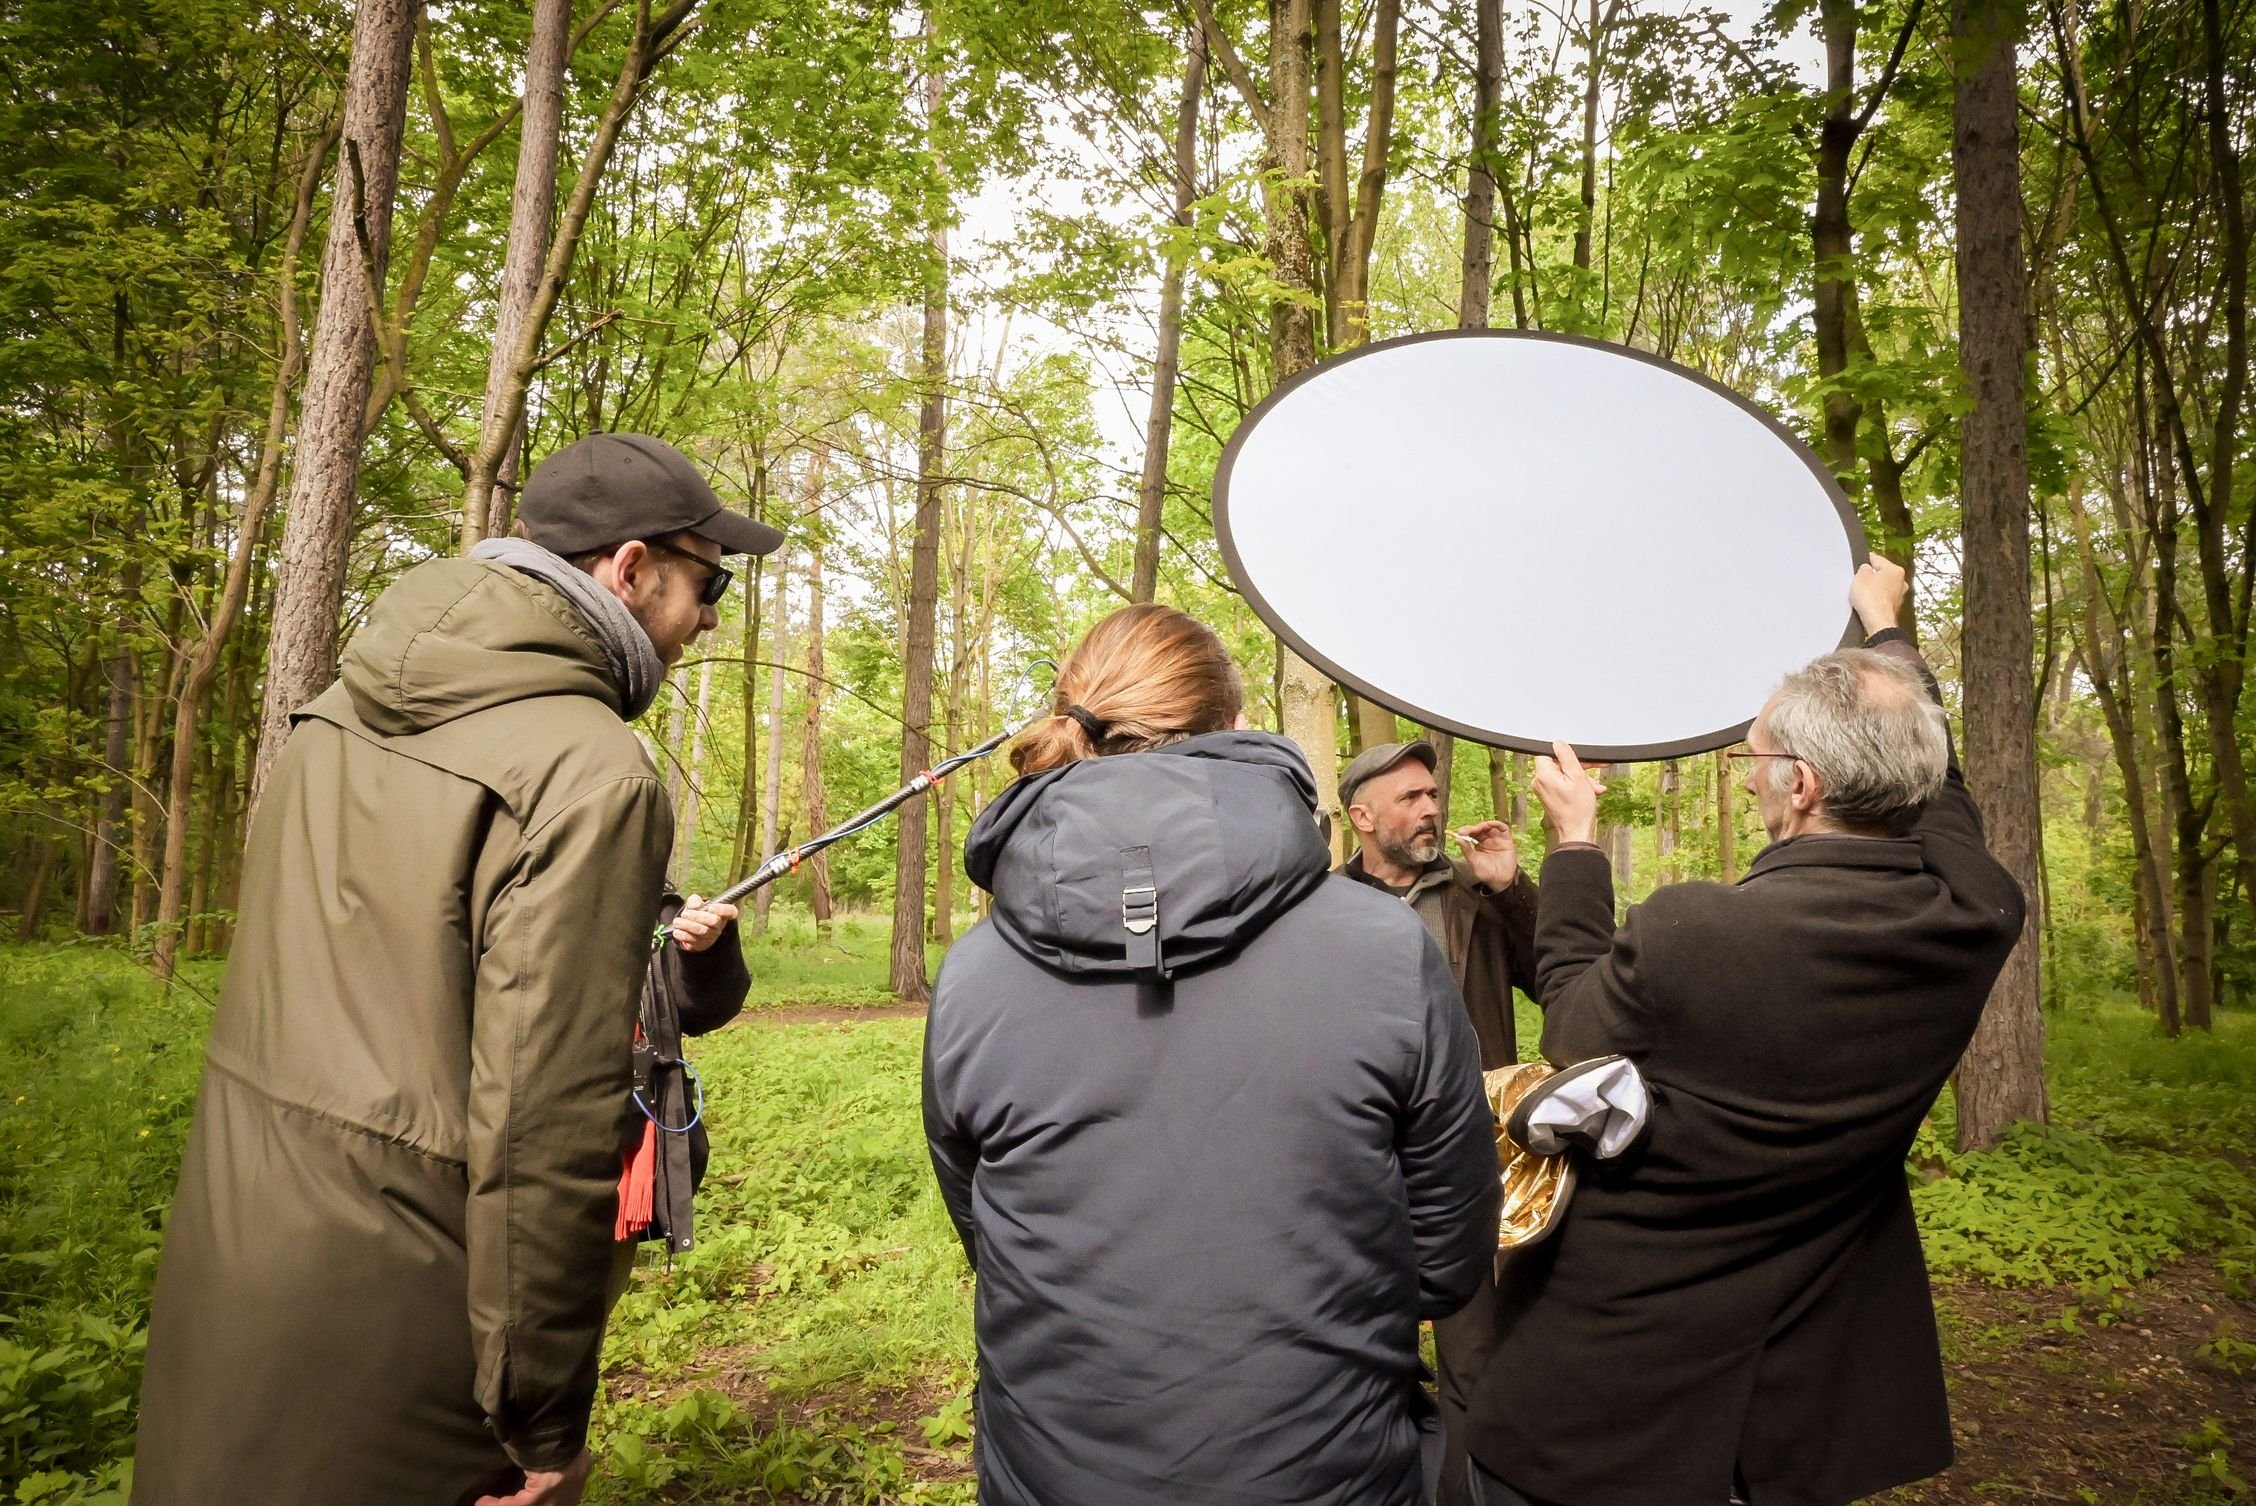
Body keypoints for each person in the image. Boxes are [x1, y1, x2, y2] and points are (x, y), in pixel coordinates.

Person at [132, 433, 781, 1506]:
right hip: (411, 1329)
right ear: (629, 568)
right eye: (706, 581)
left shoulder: (332, 714)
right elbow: (543, 1124)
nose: (711, 614)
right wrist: (542, 1423)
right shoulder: (591, 772)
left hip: (233, 1266)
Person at [1454, 554, 2025, 1506]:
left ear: (1800, 785)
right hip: (1794, 1405)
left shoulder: (1698, 931)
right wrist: (1883, 628)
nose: (1748, 774)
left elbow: (1569, 1024)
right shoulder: (1976, 913)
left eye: (1752, 759)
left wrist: (1577, 849)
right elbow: (1943, 778)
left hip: (1609, 1396)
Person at [923, 603, 1501, 1506]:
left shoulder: (972, 977)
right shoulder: (1383, 949)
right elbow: (1445, 1258)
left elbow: (988, 1233)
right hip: (1326, 1471)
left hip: (1058, 1475)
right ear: (1237, 732)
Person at [1336, 739, 1540, 1502]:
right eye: (1409, 798)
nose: (1430, 809)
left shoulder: (1471, 894)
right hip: (1356, 1163)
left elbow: (1566, 975)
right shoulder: (1321, 906)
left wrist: (1512, 885)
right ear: (1361, 817)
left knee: (1475, 1353)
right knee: (1359, 1347)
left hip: (1467, 1160)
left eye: (1431, 794)